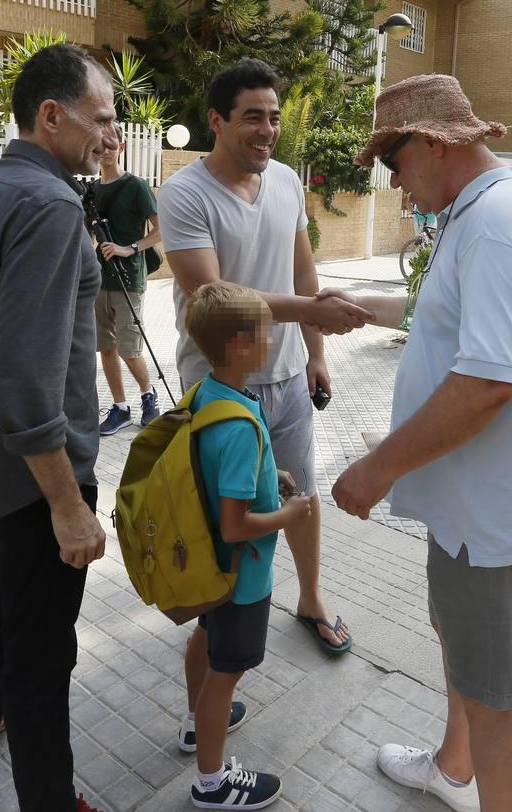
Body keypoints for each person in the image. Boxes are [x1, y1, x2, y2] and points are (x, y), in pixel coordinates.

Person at [325, 74, 512, 811]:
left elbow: (487, 382)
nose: (393, 183)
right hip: (478, 506)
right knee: (462, 644)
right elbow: (450, 324)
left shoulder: (499, 224)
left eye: (394, 162)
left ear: (432, 143)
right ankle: (453, 769)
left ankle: (478, 778)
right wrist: (362, 307)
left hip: (499, 518)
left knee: (493, 695)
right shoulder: (482, 215)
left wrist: (376, 468)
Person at [0, 44, 111, 812]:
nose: (110, 133)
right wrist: (68, 505)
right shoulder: (49, 205)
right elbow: (24, 380)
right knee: (42, 654)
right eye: (101, 118)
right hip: (37, 475)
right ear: (51, 116)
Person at [159, 58, 372, 655]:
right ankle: (214, 618)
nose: (267, 130)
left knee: (302, 495)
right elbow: (213, 299)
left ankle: (310, 598)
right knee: (225, 514)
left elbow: (305, 271)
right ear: (216, 121)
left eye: (274, 118)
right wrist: (310, 311)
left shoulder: (285, 180)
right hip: (222, 387)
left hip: (286, 380)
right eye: (253, 117)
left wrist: (316, 353)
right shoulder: (184, 194)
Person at [179, 281, 312, 809]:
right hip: (241, 575)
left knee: (206, 640)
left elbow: (222, 477)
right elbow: (237, 526)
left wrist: (267, 473)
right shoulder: (240, 426)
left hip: (214, 572)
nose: (272, 340)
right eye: (263, 333)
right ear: (238, 346)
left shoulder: (212, 396)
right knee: (226, 674)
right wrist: (290, 513)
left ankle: (196, 724)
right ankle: (211, 783)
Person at [91, 127, 163, 434]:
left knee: (129, 348)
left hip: (129, 278)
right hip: (99, 279)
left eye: (110, 145)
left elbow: (162, 230)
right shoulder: (92, 191)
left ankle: (149, 397)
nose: (104, 151)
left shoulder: (136, 186)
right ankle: (120, 408)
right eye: (99, 146)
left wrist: (129, 248)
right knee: (105, 347)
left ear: (121, 146)